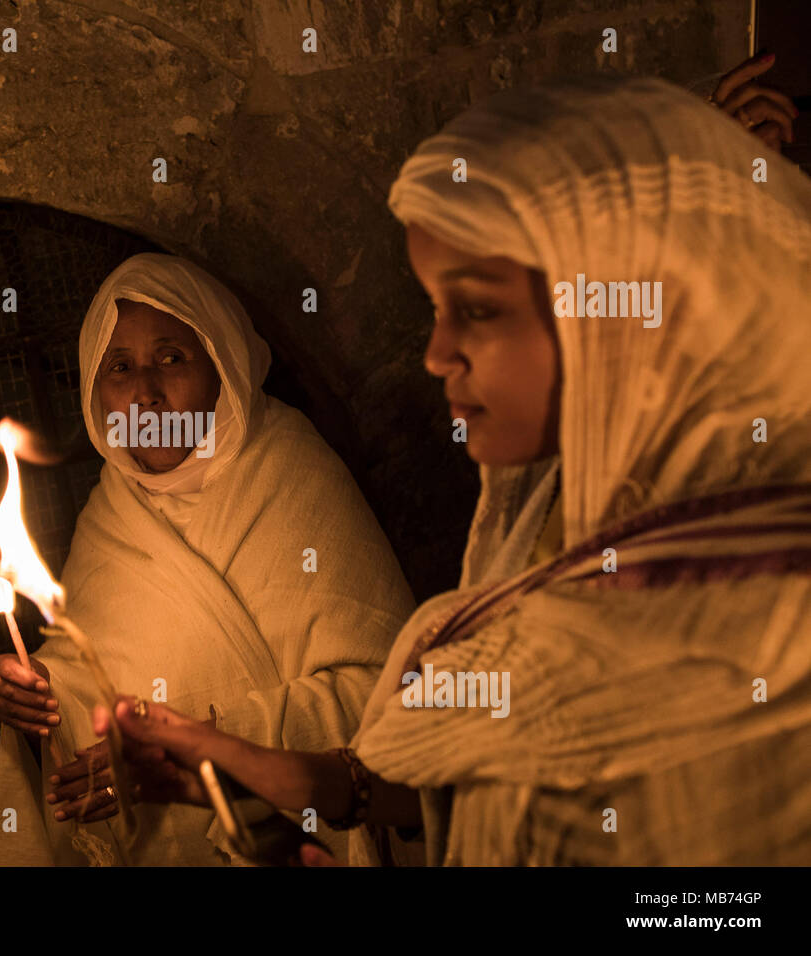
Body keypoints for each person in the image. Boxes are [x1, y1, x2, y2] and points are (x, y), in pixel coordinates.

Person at [94, 74, 811, 865]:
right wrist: (270, 770)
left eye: (477, 310)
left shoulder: (734, 563)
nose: (435, 355)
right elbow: (472, 776)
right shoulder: (541, 528)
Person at [0, 253, 415, 865]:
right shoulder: (111, 513)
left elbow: (384, 694)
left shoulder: (293, 475)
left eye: (172, 358)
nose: (146, 394)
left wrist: (198, 742)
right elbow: (99, 679)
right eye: (120, 368)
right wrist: (40, 691)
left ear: (222, 363)